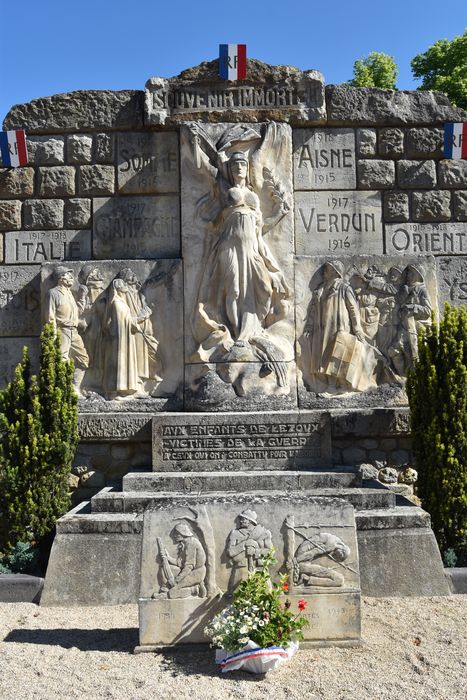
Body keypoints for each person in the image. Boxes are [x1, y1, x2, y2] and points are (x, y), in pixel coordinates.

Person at [188, 124, 290, 359]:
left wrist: (279, 213)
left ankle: (250, 331)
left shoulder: (253, 195)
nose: (239, 168)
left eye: (242, 164)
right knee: (232, 290)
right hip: (229, 247)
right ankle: (236, 335)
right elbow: (204, 166)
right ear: (230, 169)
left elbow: (260, 227)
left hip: (252, 248)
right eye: (234, 165)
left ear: (246, 168)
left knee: (260, 288)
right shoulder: (225, 189)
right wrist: (195, 142)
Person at [304, 261, 376, 393]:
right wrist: (309, 326)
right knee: (324, 354)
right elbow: (313, 310)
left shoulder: (344, 288)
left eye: (328, 269)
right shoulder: (320, 289)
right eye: (325, 269)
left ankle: (339, 385)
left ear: (335, 271)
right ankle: (331, 384)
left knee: (338, 354)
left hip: (339, 326)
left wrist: (357, 329)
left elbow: (353, 310)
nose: (324, 271)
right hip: (323, 328)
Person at [45, 265, 89, 396]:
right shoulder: (52, 293)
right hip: (62, 331)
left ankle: (74, 387)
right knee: (62, 360)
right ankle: (64, 390)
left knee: (83, 360)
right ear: (60, 278)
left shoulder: (70, 294)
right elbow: (50, 316)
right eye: (68, 275)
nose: (71, 278)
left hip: (74, 332)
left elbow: (76, 313)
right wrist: (53, 336)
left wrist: (82, 297)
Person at [154, 522, 207, 599]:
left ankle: (195, 589)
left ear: (182, 533)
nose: (174, 536)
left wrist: (176, 581)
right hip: (188, 571)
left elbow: (189, 566)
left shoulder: (191, 543)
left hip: (196, 573)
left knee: (173, 592)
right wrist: (167, 557)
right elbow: (180, 563)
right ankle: (164, 591)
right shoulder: (184, 544)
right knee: (163, 569)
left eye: (176, 533)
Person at [226, 510, 272, 592]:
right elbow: (230, 552)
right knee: (237, 596)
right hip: (241, 569)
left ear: (250, 521)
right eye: (241, 519)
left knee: (264, 594)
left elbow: (270, 552)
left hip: (259, 568)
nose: (241, 521)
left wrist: (255, 552)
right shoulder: (235, 533)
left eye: (244, 519)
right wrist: (244, 544)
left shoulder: (264, 533)